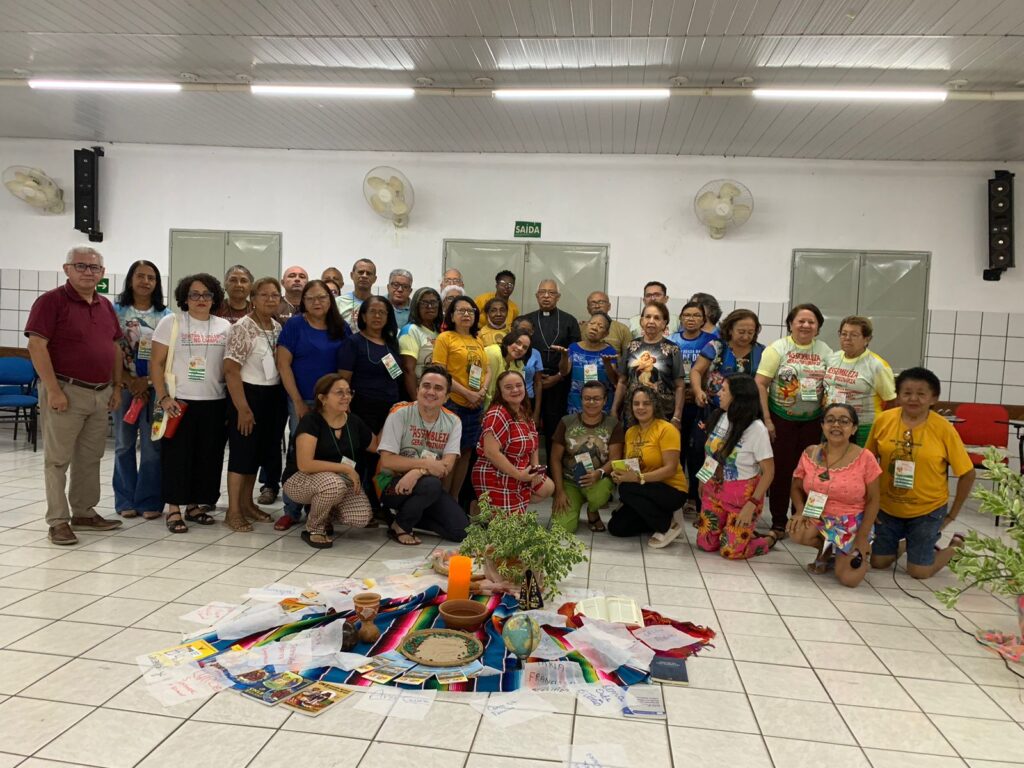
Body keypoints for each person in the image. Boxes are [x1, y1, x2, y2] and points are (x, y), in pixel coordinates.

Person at [25, 246, 124, 545]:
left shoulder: (105, 306)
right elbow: (36, 347)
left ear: (102, 274)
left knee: (90, 457)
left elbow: (115, 347)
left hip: (100, 393)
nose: (88, 272)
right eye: (80, 266)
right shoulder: (50, 302)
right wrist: (53, 390)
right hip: (66, 391)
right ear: (66, 269)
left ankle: (83, 511)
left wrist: (116, 386)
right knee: (57, 460)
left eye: (94, 268)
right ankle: (57, 520)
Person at [866, 368, 975, 579]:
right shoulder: (883, 420)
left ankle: (956, 547)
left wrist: (951, 514)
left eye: (921, 393)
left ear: (933, 398)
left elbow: (968, 474)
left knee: (919, 572)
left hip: (928, 510)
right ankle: (911, 543)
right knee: (879, 563)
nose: (913, 398)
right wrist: (870, 505)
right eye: (906, 393)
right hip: (887, 508)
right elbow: (867, 463)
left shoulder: (943, 428)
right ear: (898, 396)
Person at [150, 273, 231, 534]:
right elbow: (156, 364)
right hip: (179, 401)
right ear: (185, 297)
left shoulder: (224, 327)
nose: (201, 299)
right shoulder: (171, 323)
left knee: (207, 457)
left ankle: (194, 506)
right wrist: (163, 398)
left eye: (207, 294)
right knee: (176, 457)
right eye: (194, 294)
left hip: (214, 401)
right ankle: (173, 508)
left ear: (215, 298)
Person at [275, 280, 352, 529]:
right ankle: (291, 509)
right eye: (310, 298)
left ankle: (321, 511)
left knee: (328, 453)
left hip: (333, 404)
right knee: (298, 455)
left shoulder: (341, 328)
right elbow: (283, 364)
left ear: (330, 300)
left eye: (322, 297)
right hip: (303, 400)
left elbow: (347, 367)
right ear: (303, 302)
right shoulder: (296, 325)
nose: (317, 302)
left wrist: (343, 399)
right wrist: (297, 401)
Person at [755, 303, 832, 537]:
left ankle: (803, 518)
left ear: (818, 327)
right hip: (781, 419)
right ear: (791, 324)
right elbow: (760, 383)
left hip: (813, 422)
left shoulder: (826, 351)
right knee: (782, 471)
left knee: (810, 472)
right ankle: (779, 520)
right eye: (801, 321)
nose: (806, 325)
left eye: (811, 322)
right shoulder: (778, 348)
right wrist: (767, 419)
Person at [377, 365, 469, 544]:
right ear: (418, 390)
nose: (431, 392)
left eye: (438, 388)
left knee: (461, 532)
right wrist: (427, 466)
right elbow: (387, 460)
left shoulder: (453, 421)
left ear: (447, 397)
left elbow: (447, 466)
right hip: (390, 484)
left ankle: (404, 515)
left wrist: (417, 471)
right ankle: (401, 526)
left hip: (426, 486)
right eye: (426, 386)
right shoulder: (399, 413)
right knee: (431, 484)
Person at [789, 403, 881, 584]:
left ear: (854, 428)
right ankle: (826, 549)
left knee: (849, 579)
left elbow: (873, 500)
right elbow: (796, 487)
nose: (836, 425)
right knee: (797, 530)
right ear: (822, 426)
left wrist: (861, 537)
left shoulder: (865, 458)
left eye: (844, 421)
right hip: (819, 515)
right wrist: (800, 511)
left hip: (852, 521)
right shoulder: (810, 453)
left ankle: (859, 549)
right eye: (830, 420)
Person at [281, 374, 375, 548]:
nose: (346, 396)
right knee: (333, 484)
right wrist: (346, 469)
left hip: (337, 481)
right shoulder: (311, 421)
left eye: (348, 392)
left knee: (361, 517)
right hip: (300, 479)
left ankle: (322, 512)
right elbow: (305, 464)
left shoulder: (353, 421)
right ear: (322, 398)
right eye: (339, 392)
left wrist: (395, 418)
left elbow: (377, 445)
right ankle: (314, 528)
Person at [223, 278, 286, 531]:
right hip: (247, 396)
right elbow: (230, 370)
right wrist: (243, 408)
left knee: (258, 453)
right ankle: (233, 510)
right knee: (241, 454)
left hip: (272, 397)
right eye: (264, 295)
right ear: (253, 297)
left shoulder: (276, 327)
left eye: (275, 295)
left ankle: (248, 504)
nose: (270, 299)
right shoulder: (243, 327)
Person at [112, 260, 171, 521]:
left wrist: (146, 382)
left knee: (152, 446)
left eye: (151, 277)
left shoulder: (166, 315)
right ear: (130, 279)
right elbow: (109, 350)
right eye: (140, 276)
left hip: (155, 389)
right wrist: (127, 380)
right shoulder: (115, 311)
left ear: (157, 283)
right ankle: (125, 499)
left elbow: (168, 358)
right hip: (123, 386)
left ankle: (149, 499)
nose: (145, 281)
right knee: (124, 444)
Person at [696, 375, 778, 559]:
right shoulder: (720, 416)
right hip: (714, 489)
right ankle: (740, 531)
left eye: (724, 390)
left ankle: (767, 540)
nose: (719, 394)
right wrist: (703, 479)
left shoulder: (757, 429)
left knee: (730, 551)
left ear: (739, 398)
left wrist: (752, 504)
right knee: (706, 544)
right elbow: (711, 453)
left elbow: (769, 472)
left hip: (741, 498)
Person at [337, 296, 403, 504]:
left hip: (390, 412)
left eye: (382, 312)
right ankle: (355, 502)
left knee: (383, 459)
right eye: (372, 311)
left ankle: (378, 503)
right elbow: (343, 380)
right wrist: (345, 409)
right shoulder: (353, 343)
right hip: (360, 411)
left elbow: (397, 377)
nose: (377, 316)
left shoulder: (391, 343)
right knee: (363, 457)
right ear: (363, 316)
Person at [607, 386, 688, 546]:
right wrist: (620, 474)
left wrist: (638, 478)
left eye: (646, 403)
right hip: (643, 489)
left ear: (655, 405)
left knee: (627, 488)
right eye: (636, 403)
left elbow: (670, 469)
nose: (641, 407)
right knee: (616, 527)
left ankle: (668, 525)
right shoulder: (630, 431)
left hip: (671, 490)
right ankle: (655, 521)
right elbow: (630, 464)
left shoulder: (666, 429)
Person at [472, 370, 554, 513]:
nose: (515, 390)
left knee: (547, 487)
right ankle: (484, 508)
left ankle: (511, 505)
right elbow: (491, 452)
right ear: (500, 392)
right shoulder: (497, 413)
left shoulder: (522, 410)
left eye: (518, 385)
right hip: (496, 473)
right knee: (508, 533)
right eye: (508, 387)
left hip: (520, 469)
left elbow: (533, 441)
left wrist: (535, 469)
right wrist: (519, 475)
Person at [432, 296, 489, 500]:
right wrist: (467, 393)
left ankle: (454, 499)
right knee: (450, 454)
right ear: (452, 315)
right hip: (452, 404)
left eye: (471, 311)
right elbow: (441, 372)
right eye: (461, 310)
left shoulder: (478, 340)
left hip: (475, 406)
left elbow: (487, 369)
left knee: (465, 453)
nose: (467, 314)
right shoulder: (445, 338)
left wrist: (481, 392)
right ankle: (442, 500)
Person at [550, 381, 624, 534]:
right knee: (562, 529)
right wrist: (559, 491)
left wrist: (600, 473)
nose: (591, 402)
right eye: (587, 398)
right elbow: (555, 458)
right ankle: (575, 504)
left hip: (597, 481)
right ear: (581, 399)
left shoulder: (613, 424)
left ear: (604, 400)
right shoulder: (566, 421)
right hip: (570, 481)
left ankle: (592, 510)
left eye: (596, 399)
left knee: (600, 493)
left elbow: (615, 460)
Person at [521, 279, 582, 456]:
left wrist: (558, 377)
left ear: (558, 297)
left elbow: (573, 353)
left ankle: (553, 473)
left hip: (559, 383)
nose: (546, 296)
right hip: (530, 384)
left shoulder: (569, 320)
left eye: (551, 293)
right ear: (536, 296)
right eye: (542, 292)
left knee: (555, 430)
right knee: (527, 426)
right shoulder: (527, 320)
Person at [670, 301, 718, 513]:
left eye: (696, 315)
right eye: (687, 315)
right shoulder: (671, 341)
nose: (691, 319)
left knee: (698, 452)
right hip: (675, 403)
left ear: (703, 319)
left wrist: (698, 390)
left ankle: (696, 500)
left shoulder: (712, 342)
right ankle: (675, 496)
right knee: (676, 450)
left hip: (702, 404)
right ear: (680, 318)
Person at [823, 316, 896, 447]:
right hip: (833, 423)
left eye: (854, 335)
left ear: (867, 339)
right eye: (844, 334)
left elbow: (891, 401)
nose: (847, 338)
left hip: (863, 426)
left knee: (859, 465)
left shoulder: (877, 365)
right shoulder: (832, 358)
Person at [611, 301, 685, 430]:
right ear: (641, 321)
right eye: (648, 316)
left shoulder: (672, 349)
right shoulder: (632, 346)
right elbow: (622, 382)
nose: (651, 321)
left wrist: (677, 416)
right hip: (632, 414)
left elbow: (679, 386)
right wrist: (614, 410)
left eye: (657, 318)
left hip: (662, 413)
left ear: (664, 323)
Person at [692, 309, 764, 411]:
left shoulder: (761, 352)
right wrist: (698, 391)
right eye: (741, 332)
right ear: (730, 329)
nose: (745, 337)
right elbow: (697, 370)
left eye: (750, 332)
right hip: (714, 408)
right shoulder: (716, 346)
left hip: (746, 410)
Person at [562, 312, 618, 414]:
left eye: (600, 326)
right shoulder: (573, 347)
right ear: (587, 325)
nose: (595, 328)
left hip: (602, 407)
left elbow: (614, 380)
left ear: (606, 334)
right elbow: (564, 372)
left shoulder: (610, 351)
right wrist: (564, 356)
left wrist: (607, 364)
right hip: (577, 404)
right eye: (592, 323)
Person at [398, 287, 442, 400]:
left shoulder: (439, 331)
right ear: (416, 306)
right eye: (424, 303)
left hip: (436, 392)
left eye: (433, 302)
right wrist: (416, 399)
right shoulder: (411, 330)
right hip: (418, 392)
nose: (430, 307)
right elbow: (408, 369)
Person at [483, 329, 532, 409]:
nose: (520, 348)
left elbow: (515, 390)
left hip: (499, 405)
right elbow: (489, 389)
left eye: (525, 347)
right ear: (509, 340)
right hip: (480, 402)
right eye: (517, 343)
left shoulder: (519, 364)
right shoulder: (494, 353)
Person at [579, 291, 632, 358]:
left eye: (601, 302)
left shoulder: (622, 329)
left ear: (609, 306)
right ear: (588, 309)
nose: (597, 306)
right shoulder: (581, 328)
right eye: (593, 303)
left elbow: (629, 357)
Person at [337, 258, 377, 330]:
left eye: (368, 273)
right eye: (361, 272)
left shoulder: (379, 304)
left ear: (374, 279)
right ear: (352, 275)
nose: (364, 276)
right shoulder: (339, 302)